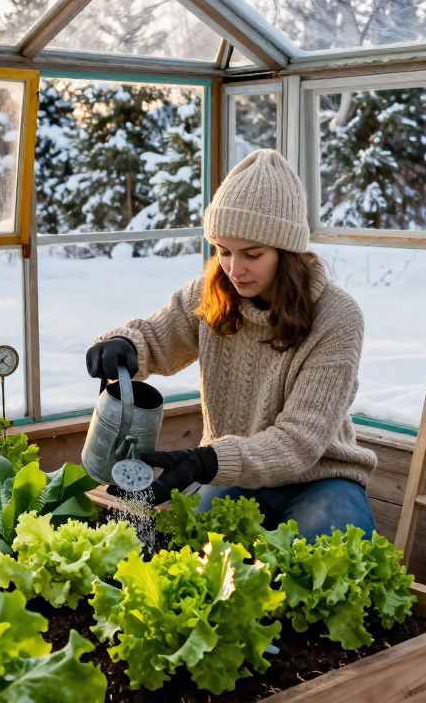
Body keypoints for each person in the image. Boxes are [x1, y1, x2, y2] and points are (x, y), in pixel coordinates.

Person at [85, 149, 377, 538]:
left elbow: (298, 443)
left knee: (324, 548)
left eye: (252, 254)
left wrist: (206, 461)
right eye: (223, 250)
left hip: (320, 479)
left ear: (287, 252)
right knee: (197, 556)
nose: (234, 269)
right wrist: (124, 344)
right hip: (230, 474)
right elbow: (156, 340)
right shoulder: (211, 294)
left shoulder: (337, 317)